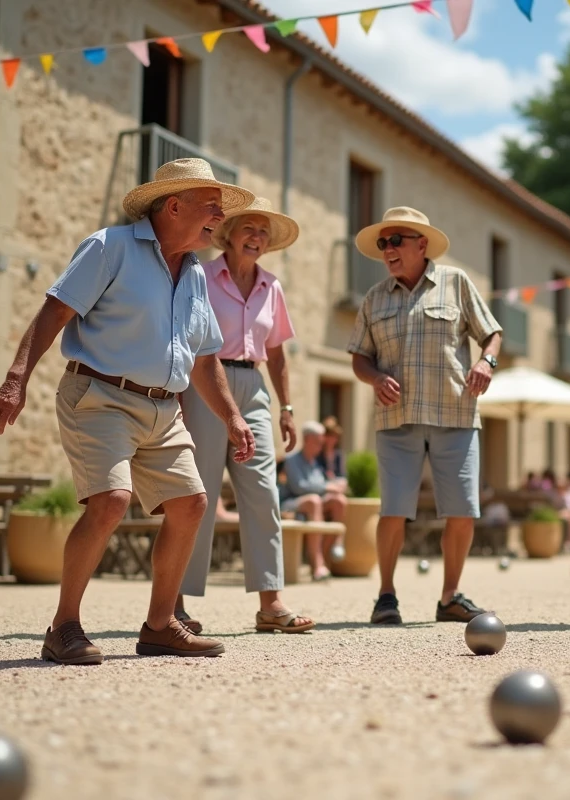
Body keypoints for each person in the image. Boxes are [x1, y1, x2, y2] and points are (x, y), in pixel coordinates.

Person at [0, 158, 258, 665]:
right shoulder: (109, 246)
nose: (219, 217)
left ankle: (160, 626)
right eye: (210, 206)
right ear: (173, 205)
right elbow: (55, 310)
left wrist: (232, 416)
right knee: (112, 500)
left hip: (163, 408)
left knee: (191, 504)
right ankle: (63, 626)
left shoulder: (196, 273)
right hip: (100, 396)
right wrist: (15, 378)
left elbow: (204, 359)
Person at [347, 206, 502, 625]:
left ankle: (450, 596)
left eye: (396, 240)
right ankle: (386, 597)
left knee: (462, 509)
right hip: (396, 418)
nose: (388, 250)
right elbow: (360, 358)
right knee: (393, 509)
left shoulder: (456, 283)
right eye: (383, 243)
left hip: (456, 411)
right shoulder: (375, 297)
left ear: (422, 244)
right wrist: (375, 378)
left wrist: (487, 361)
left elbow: (492, 332)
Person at [173, 197, 315, 635]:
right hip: (203, 383)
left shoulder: (272, 287)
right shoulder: (199, 274)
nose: (257, 237)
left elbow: (276, 353)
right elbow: (183, 334)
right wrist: (176, 396)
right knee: (197, 494)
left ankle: (271, 603)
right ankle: (173, 602)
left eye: (264, 233)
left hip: (253, 388)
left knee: (264, 492)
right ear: (230, 234)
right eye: (250, 228)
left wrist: (287, 408)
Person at [279, 421, 348, 581]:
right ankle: (316, 564)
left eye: (321, 441)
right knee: (314, 501)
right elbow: (299, 487)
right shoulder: (291, 460)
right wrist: (328, 487)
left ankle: (332, 550)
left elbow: (319, 484)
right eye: (317, 441)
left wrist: (335, 486)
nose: (320, 445)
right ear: (307, 439)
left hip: (311, 504)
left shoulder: (315, 462)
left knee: (339, 501)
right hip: (289, 504)